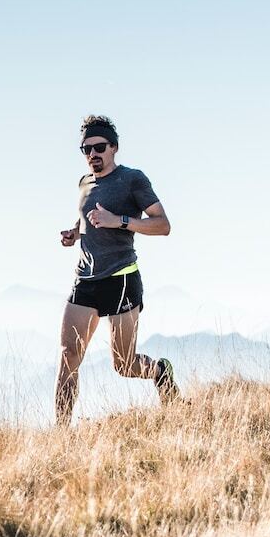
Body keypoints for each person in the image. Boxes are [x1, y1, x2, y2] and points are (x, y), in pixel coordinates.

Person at [55, 114, 179, 425]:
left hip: (121, 278)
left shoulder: (132, 179)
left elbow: (163, 225)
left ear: (114, 147)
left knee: (124, 364)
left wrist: (119, 221)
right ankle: (59, 435)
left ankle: (160, 371)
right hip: (85, 279)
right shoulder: (84, 183)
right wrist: (75, 233)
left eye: (99, 147)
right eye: (86, 149)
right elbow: (88, 218)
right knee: (68, 355)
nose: (92, 155)